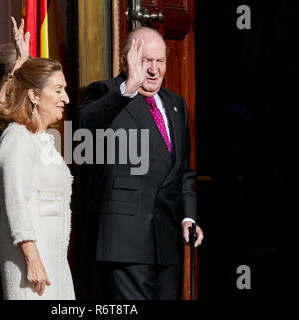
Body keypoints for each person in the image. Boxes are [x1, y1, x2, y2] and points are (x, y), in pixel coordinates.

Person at [77, 26, 204, 300]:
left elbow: (183, 172)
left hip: (167, 241)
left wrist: (188, 217)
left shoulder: (175, 103)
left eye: (160, 61)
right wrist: (129, 88)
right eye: (146, 61)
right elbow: (83, 129)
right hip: (124, 241)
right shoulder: (106, 92)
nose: (154, 70)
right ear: (126, 61)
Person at [0, 17, 74, 300]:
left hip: (54, 262)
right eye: (58, 90)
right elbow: (15, 203)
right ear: (33, 96)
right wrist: (33, 261)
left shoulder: (47, 139)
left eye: (64, 89)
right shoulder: (17, 138)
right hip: (31, 271)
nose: (65, 98)